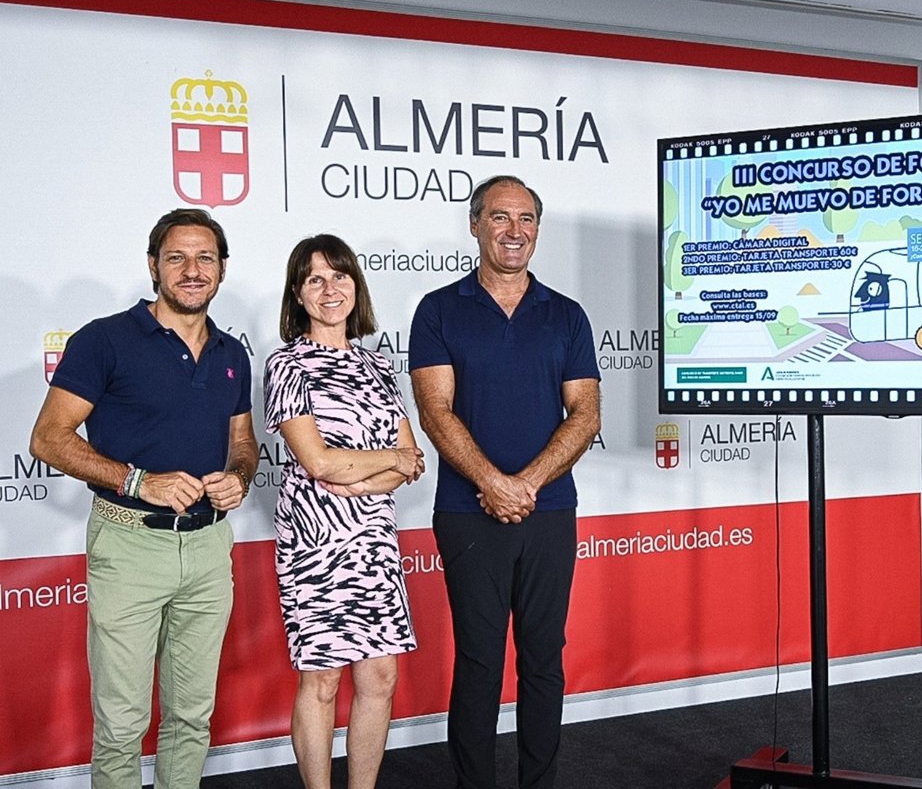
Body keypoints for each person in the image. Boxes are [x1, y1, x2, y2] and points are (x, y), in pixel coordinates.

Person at [28, 208, 257, 789]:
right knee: (122, 723)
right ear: (153, 266)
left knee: (192, 715)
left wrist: (239, 475)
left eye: (205, 258)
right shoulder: (104, 340)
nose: (192, 270)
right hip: (129, 544)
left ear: (222, 269)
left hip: (209, 548)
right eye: (177, 257)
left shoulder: (232, 353)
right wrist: (138, 481)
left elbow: (243, 441)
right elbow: (48, 439)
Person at [408, 175, 601, 789]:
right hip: (467, 513)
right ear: (475, 225)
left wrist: (526, 484)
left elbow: (586, 414)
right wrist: (492, 483)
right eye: (499, 217)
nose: (514, 231)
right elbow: (435, 412)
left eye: (526, 219)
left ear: (537, 229)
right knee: (479, 662)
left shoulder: (566, 314)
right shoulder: (438, 309)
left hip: (549, 510)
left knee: (544, 660)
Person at [264, 234, 424, 789]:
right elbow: (318, 461)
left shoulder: (379, 367)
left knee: (380, 677)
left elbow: (412, 461)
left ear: (356, 285)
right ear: (298, 294)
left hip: (374, 542)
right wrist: (386, 462)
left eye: (339, 276)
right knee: (323, 682)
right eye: (315, 279)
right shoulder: (287, 364)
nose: (330, 289)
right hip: (315, 542)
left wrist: (363, 474)